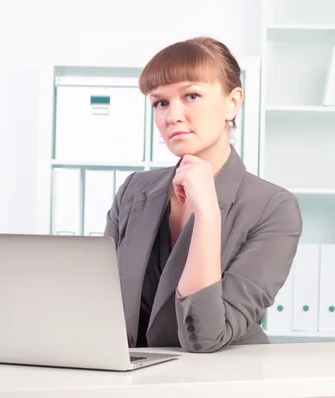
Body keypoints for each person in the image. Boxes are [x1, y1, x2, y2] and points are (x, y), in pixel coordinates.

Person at [104, 36, 302, 353]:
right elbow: (102, 303)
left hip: (222, 379)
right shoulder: (134, 190)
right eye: (161, 102)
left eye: (191, 95)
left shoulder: (273, 208)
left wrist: (208, 215)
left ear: (232, 102)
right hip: (134, 375)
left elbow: (207, 337)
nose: (173, 116)